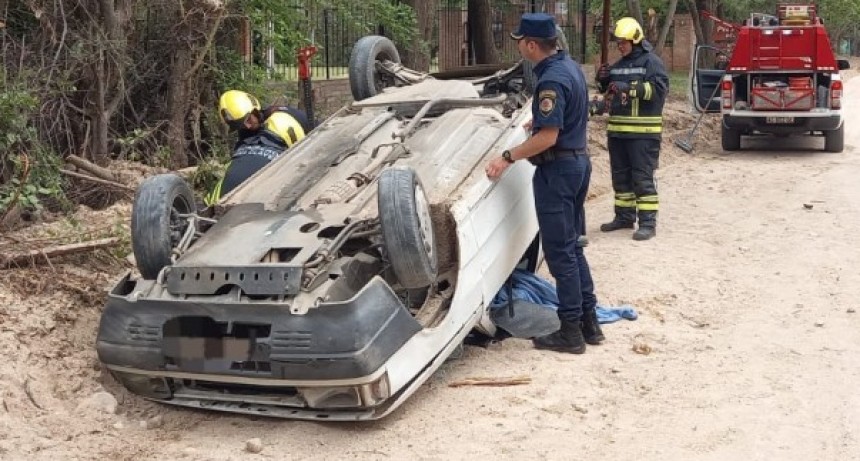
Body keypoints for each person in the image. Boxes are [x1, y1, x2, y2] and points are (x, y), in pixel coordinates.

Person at [485, 13, 603, 354]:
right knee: (574, 246)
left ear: (532, 45)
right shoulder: (571, 68)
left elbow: (548, 138)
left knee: (560, 252)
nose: (519, 45)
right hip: (579, 164)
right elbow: (571, 114)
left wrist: (507, 157)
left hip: (558, 172)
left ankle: (570, 333)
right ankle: (589, 322)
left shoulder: (549, 81)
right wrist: (543, 119)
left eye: (520, 40)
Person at [595, 17, 669, 241]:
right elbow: (611, 91)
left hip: (643, 135)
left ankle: (648, 222)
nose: (620, 45)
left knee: (642, 178)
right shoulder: (619, 65)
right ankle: (624, 217)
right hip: (618, 133)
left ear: (635, 40)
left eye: (623, 42)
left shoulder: (651, 63)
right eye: (618, 42)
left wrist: (631, 87)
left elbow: (659, 90)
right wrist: (603, 80)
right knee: (621, 178)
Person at [205, 111, 306, 205]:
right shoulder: (284, 163)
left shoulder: (241, 151)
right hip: (255, 208)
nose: (248, 126)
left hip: (215, 203)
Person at [218, 90, 312, 149]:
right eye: (241, 125)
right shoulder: (246, 129)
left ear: (255, 110)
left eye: (248, 120)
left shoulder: (281, 120)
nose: (248, 126)